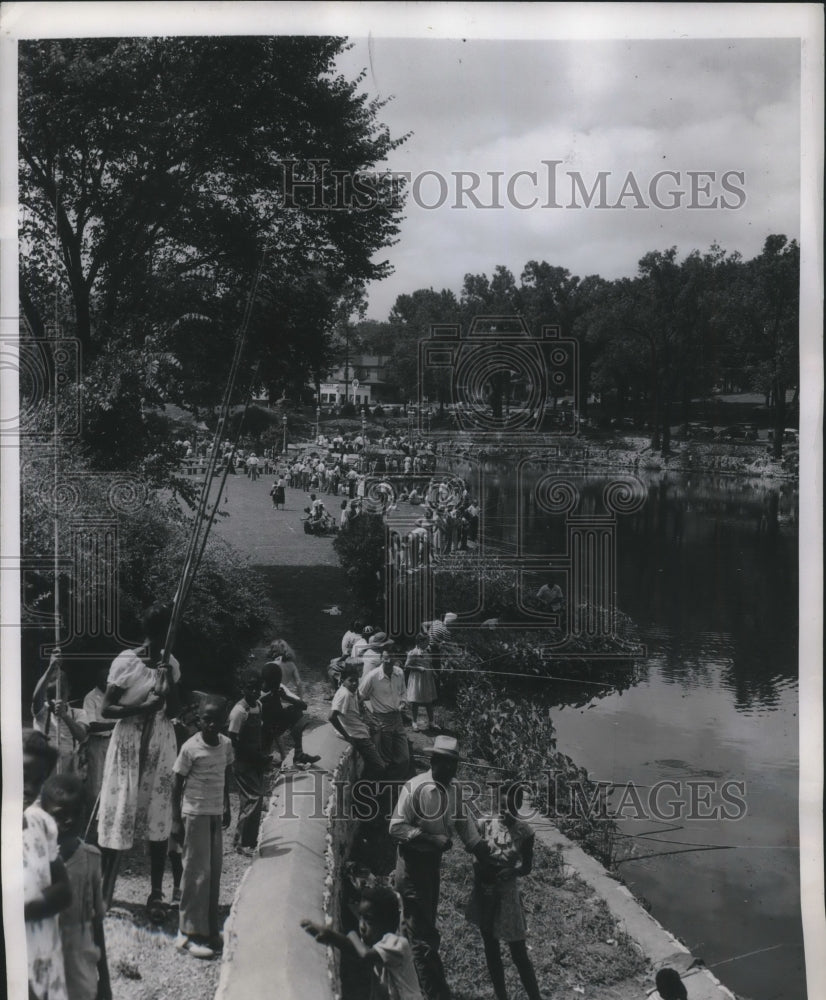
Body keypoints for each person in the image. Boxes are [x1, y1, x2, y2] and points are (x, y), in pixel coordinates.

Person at [389, 736, 491, 1000]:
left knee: (418, 926)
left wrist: (484, 851)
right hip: (412, 865)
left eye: (453, 765)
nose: (449, 770)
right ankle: (433, 993)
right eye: (444, 763)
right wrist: (430, 838)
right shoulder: (415, 788)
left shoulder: (453, 789)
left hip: (431, 866)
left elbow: (464, 825)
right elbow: (396, 827)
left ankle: (402, 983)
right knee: (423, 936)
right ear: (433, 762)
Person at [96, 604, 182, 915]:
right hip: (129, 742)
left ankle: (156, 892)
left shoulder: (170, 663)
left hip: (160, 741)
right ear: (155, 633)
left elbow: (173, 712)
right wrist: (142, 707)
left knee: (157, 814)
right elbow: (106, 710)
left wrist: (168, 681)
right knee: (119, 809)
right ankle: (105, 893)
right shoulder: (127, 662)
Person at [465, 783, 541, 1000]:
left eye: (509, 807)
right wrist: (479, 869)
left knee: (518, 952)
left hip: (507, 894)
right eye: (500, 805)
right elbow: (473, 852)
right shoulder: (485, 823)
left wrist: (512, 872)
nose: (504, 811)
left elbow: (526, 867)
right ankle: (501, 996)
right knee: (490, 946)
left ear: (518, 806)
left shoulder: (525, 833)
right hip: (485, 890)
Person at [171, 698, 234, 959]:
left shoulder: (227, 744)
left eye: (215, 720)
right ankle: (186, 934)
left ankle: (207, 929)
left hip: (214, 813)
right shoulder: (189, 748)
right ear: (199, 719)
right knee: (196, 872)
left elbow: (226, 773)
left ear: (223, 723)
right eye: (205, 719)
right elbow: (176, 783)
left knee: (213, 871)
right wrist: (175, 819)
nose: (210, 724)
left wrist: (227, 805)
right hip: (194, 813)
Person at [41, 774, 111, 1000]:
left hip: (81, 968)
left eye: (76, 813)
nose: (69, 821)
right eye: (60, 815)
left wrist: (105, 982)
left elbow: (97, 923)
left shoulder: (91, 859)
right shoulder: (34, 864)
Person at [302, 884, 423, 1000]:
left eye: (369, 920)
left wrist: (351, 932)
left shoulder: (397, 944)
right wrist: (330, 936)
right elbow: (355, 949)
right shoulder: (378, 947)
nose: (362, 926)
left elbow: (364, 954)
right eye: (360, 917)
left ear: (388, 924)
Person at [23, 732, 71, 1000]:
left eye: (38, 781)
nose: (29, 788)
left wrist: (25, 909)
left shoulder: (40, 824)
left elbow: (64, 890)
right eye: (21, 776)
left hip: (41, 953)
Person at [228, 670, 269, 856]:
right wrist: (252, 755)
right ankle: (240, 842)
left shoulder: (258, 706)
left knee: (254, 801)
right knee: (253, 798)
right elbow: (234, 739)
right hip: (243, 761)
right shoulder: (239, 711)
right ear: (244, 689)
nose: (254, 692)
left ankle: (249, 841)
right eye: (250, 689)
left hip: (256, 760)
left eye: (257, 689)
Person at [31, 648, 89, 776]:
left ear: (69, 691)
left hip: (69, 764)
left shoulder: (79, 713)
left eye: (61, 692)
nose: (56, 698)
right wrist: (51, 667)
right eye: (51, 693)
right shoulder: (42, 711)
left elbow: (82, 736)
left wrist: (65, 716)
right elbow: (36, 698)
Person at [330, 664, 387, 779]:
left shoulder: (351, 691)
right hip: (357, 736)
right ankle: (368, 789)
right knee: (380, 767)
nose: (355, 683)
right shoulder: (344, 694)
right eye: (351, 680)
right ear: (342, 680)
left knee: (377, 732)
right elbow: (331, 716)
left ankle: (366, 781)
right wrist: (347, 736)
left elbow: (359, 704)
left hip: (359, 731)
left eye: (356, 680)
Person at [359, 651, 410, 779]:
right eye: (386, 658)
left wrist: (403, 704)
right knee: (386, 757)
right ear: (381, 658)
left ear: (395, 659)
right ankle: (386, 788)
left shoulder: (399, 673)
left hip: (397, 718)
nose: (388, 662)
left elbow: (404, 692)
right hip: (382, 719)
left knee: (404, 757)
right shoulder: (373, 676)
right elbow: (360, 696)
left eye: (391, 659)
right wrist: (366, 716)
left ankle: (395, 783)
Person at [259, 661, 320, 767]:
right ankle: (264, 758)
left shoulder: (279, 687)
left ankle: (299, 754)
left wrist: (286, 697)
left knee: (296, 711)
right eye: (273, 684)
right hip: (261, 729)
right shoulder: (256, 693)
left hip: (275, 725)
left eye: (278, 683)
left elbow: (303, 706)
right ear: (264, 681)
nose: (276, 686)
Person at [82, 668, 115, 810]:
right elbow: (91, 726)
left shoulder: (114, 696)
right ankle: (91, 818)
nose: (106, 683)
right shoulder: (91, 697)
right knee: (96, 784)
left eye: (108, 680)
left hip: (113, 742)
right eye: (103, 680)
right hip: (97, 742)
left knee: (113, 781)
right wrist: (116, 724)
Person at [405, 634, 438, 733]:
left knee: (429, 701)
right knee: (416, 701)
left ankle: (431, 722)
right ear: (419, 642)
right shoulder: (413, 653)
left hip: (427, 679)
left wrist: (434, 672)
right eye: (426, 641)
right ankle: (414, 722)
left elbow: (429, 663)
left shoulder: (427, 651)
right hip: (417, 679)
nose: (428, 643)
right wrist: (418, 668)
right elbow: (407, 666)